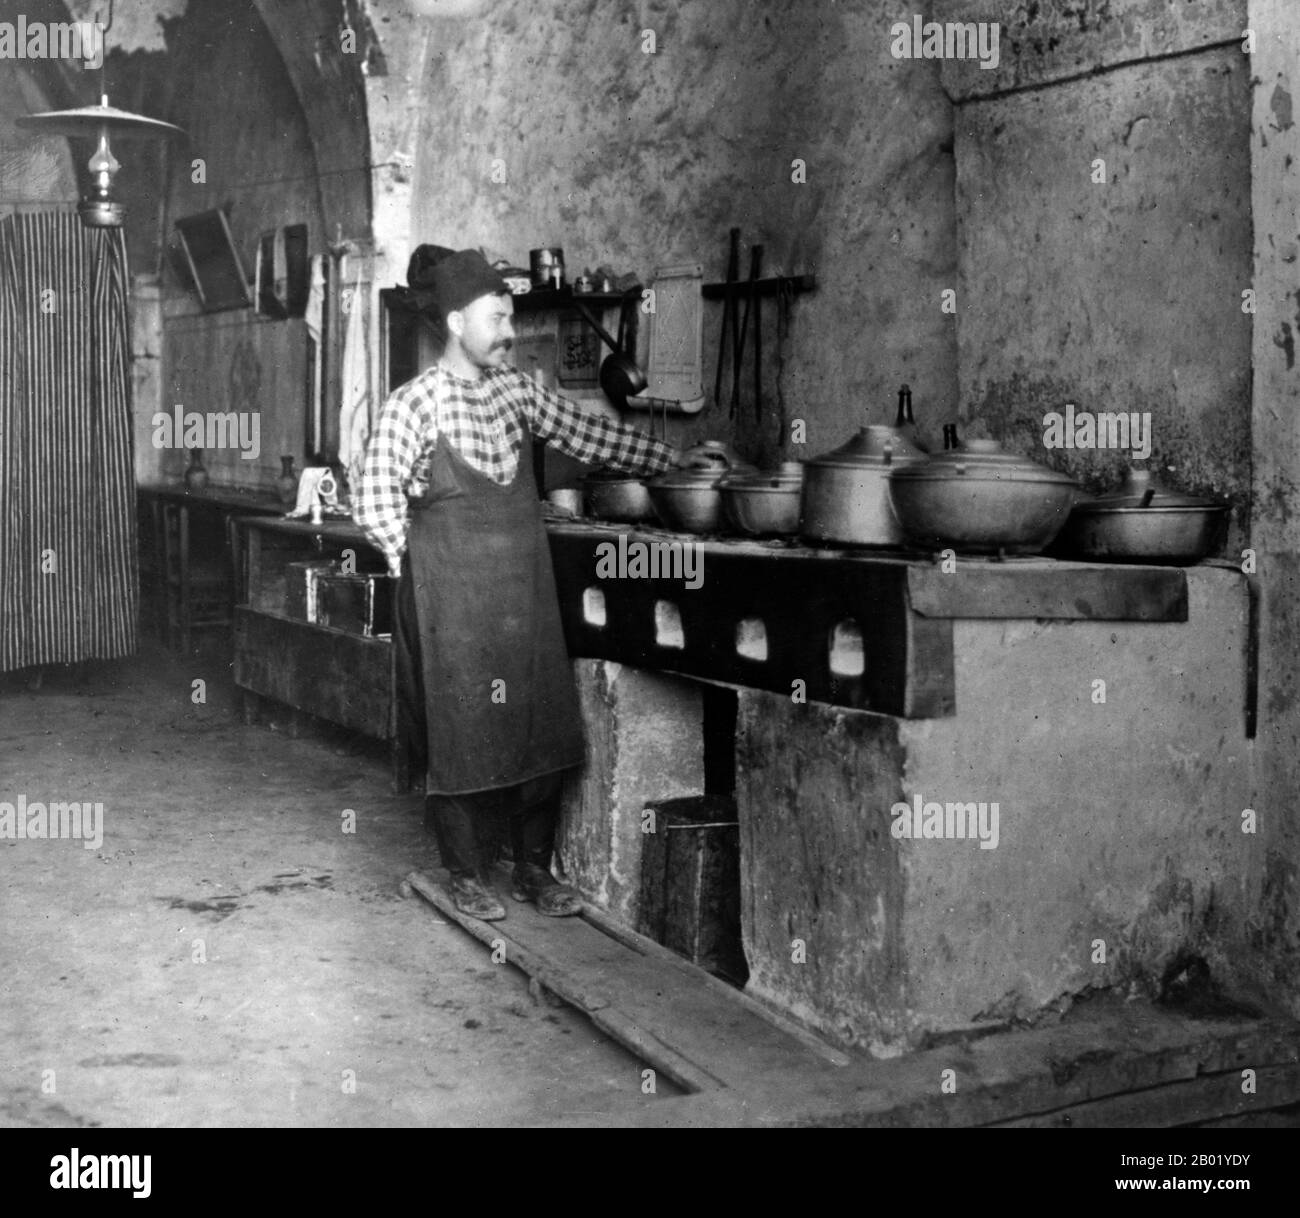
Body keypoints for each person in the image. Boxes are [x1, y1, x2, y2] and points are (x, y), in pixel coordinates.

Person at [355, 249, 680, 921]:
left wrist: (678, 460)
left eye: (509, 317)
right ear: (454, 321)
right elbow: (376, 499)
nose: (507, 331)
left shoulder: (518, 390)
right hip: (449, 603)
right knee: (459, 729)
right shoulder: (413, 404)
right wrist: (417, 578)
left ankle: (532, 868)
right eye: (495, 318)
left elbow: (592, 434)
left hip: (520, 597)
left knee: (541, 723)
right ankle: (464, 872)